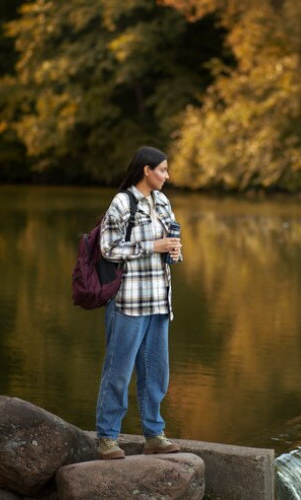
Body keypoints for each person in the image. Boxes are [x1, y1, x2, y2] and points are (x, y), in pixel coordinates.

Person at [95, 146, 183, 459]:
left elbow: (172, 242)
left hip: (159, 301)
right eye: (162, 170)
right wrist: (152, 245)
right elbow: (108, 248)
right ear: (146, 170)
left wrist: (174, 251)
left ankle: (154, 434)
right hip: (128, 302)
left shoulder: (162, 201)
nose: (167, 176)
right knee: (118, 372)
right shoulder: (122, 202)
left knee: (156, 373)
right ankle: (107, 437)